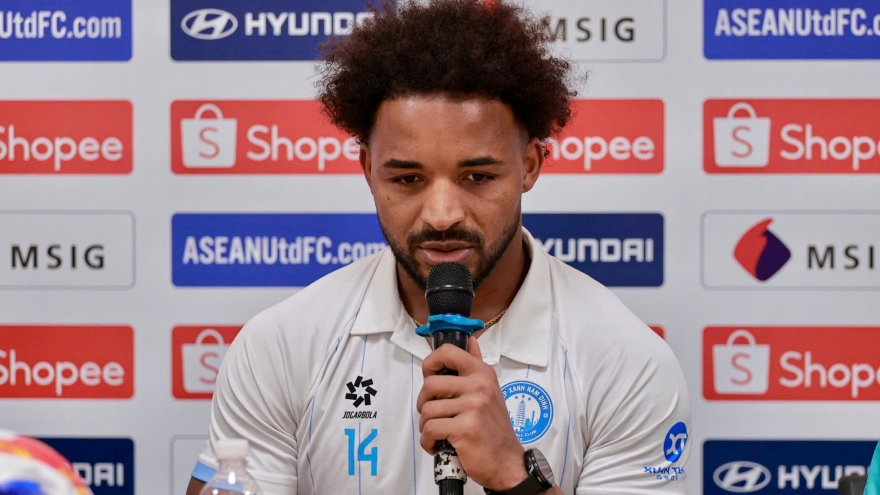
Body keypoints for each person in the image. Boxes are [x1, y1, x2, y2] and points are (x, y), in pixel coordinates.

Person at [186, 1, 690, 494]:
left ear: (530, 166)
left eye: (477, 176)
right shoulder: (280, 345)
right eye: (408, 179)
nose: (442, 214)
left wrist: (514, 477)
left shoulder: (627, 361)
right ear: (368, 170)